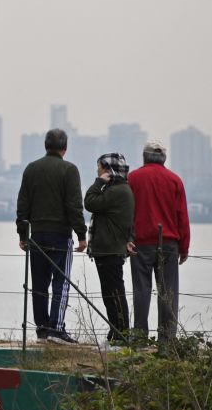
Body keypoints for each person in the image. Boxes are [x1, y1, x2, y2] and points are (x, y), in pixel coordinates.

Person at [16, 128, 87, 344]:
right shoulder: (70, 170)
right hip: (60, 236)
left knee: (39, 284)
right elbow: (74, 206)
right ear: (65, 148)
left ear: (46, 145)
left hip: (36, 235)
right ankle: (56, 330)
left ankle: (42, 330)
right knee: (61, 283)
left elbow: (23, 204)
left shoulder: (31, 169)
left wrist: (22, 233)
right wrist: (82, 235)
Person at [127, 140, 190, 343]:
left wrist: (126, 238)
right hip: (169, 244)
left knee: (141, 290)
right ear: (164, 158)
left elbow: (126, 212)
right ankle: (167, 339)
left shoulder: (133, 178)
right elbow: (182, 216)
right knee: (168, 292)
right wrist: (185, 247)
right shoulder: (175, 180)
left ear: (144, 157)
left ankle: (139, 337)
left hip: (140, 243)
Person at [84, 153, 134, 345]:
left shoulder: (116, 191)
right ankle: (117, 332)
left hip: (110, 250)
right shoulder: (119, 189)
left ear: (108, 169)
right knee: (111, 293)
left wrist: (98, 182)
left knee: (114, 294)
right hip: (109, 249)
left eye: (100, 168)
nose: (97, 171)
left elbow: (90, 202)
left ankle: (121, 333)